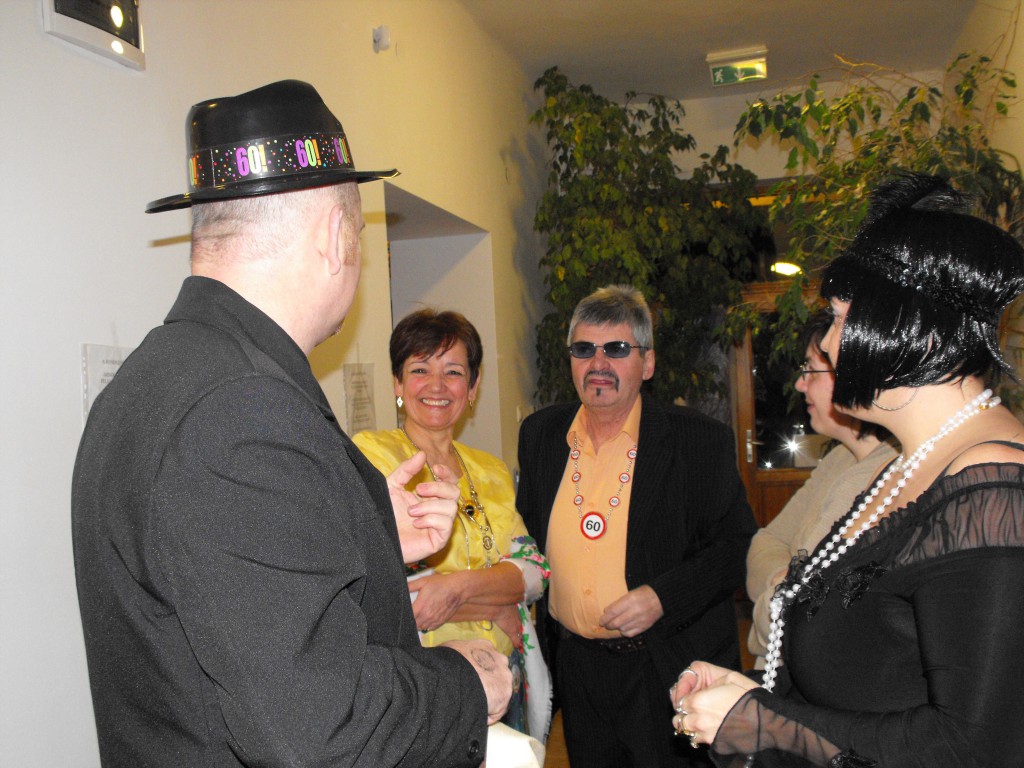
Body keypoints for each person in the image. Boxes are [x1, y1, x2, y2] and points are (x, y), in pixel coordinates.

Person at [72, 79, 511, 768]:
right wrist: (465, 683)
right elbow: (320, 726)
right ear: (335, 236)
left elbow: (225, 604)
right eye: (358, 234)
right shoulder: (240, 410)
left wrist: (364, 533)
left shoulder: (152, 379)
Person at [671, 173, 1024, 767]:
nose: (830, 346)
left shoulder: (994, 492)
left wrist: (762, 721)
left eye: (837, 319)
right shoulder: (913, 463)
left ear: (904, 326)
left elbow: (975, 747)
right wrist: (752, 694)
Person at [516, 284, 757, 767]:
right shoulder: (541, 435)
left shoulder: (697, 441)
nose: (598, 363)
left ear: (647, 363)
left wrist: (662, 597)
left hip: (664, 667)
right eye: (584, 349)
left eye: (617, 349)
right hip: (578, 670)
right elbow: (527, 538)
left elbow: (738, 548)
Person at [353, 309, 552, 739]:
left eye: (454, 372)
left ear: (473, 387)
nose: (437, 385)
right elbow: (385, 590)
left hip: (504, 678)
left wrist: (455, 588)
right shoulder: (371, 457)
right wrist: (497, 602)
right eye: (419, 370)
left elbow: (535, 571)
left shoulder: (491, 470)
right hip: (427, 683)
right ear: (397, 384)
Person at [745, 312, 897, 669]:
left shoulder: (886, 474)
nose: (800, 385)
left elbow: (792, 616)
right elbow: (764, 543)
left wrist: (779, 595)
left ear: (851, 375)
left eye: (811, 370)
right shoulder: (840, 458)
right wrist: (781, 581)